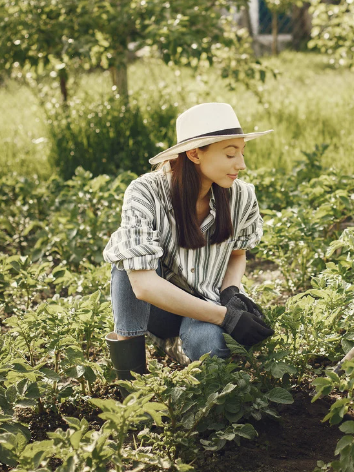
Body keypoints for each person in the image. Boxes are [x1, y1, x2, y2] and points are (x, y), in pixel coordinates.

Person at [103, 102, 275, 381]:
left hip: (207, 303)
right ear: (194, 154)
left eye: (242, 152)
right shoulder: (145, 192)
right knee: (126, 264)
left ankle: (179, 348)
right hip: (157, 310)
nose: (241, 164)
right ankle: (129, 380)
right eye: (231, 154)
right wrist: (225, 318)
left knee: (211, 347)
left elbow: (237, 254)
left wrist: (230, 293)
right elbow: (143, 286)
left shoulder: (241, 196)